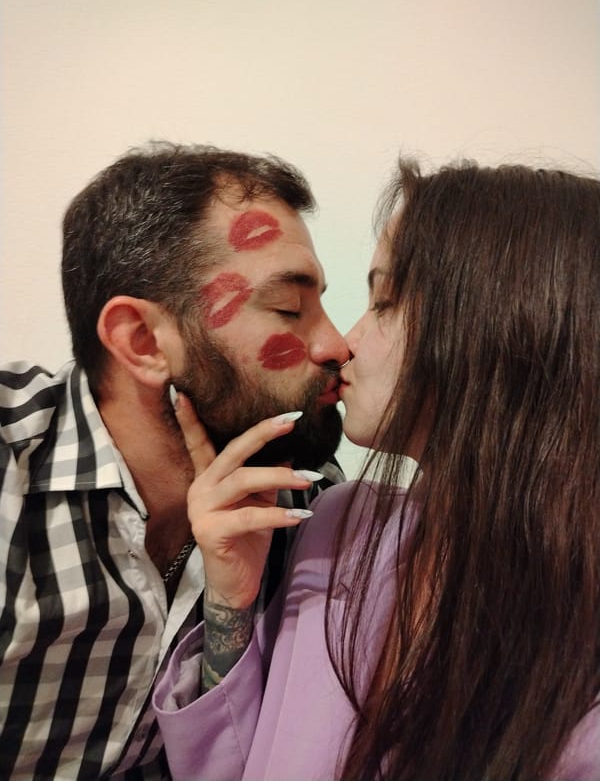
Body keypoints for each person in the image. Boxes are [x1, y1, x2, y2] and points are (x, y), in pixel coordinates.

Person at [153, 157, 600, 781]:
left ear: (501, 325)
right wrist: (231, 599)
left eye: (385, 301)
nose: (343, 344)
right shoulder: (337, 524)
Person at [0, 142, 350, 780]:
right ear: (142, 341)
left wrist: (229, 613)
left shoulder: (303, 498)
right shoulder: (10, 465)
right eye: (288, 308)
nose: (336, 344)